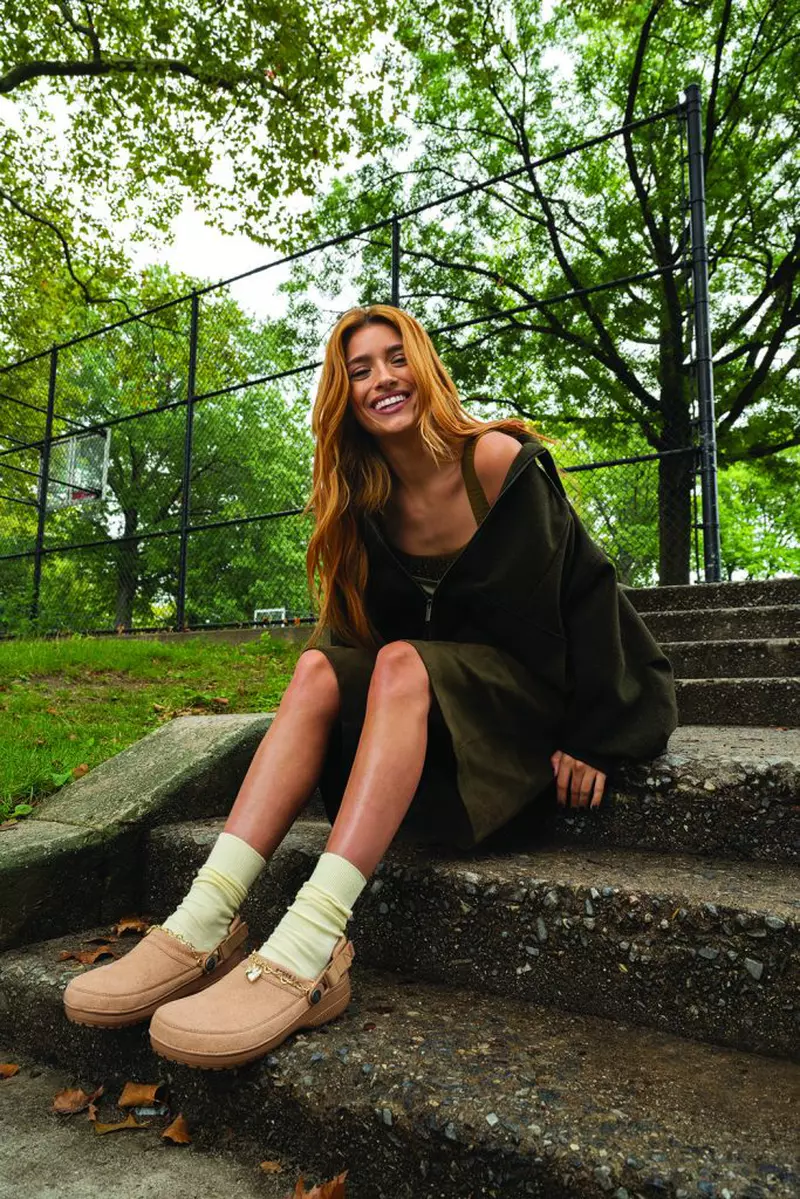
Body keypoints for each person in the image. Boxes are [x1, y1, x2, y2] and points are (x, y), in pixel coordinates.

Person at [63, 304, 678, 1070]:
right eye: (359, 370)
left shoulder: (493, 462)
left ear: (425, 367)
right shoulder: (365, 497)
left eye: (395, 357)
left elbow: (587, 596)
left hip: (516, 728)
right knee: (320, 665)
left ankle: (311, 941)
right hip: (426, 731)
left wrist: (594, 735)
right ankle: (202, 921)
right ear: (343, 395)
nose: (382, 378)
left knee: (401, 663)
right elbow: (350, 638)